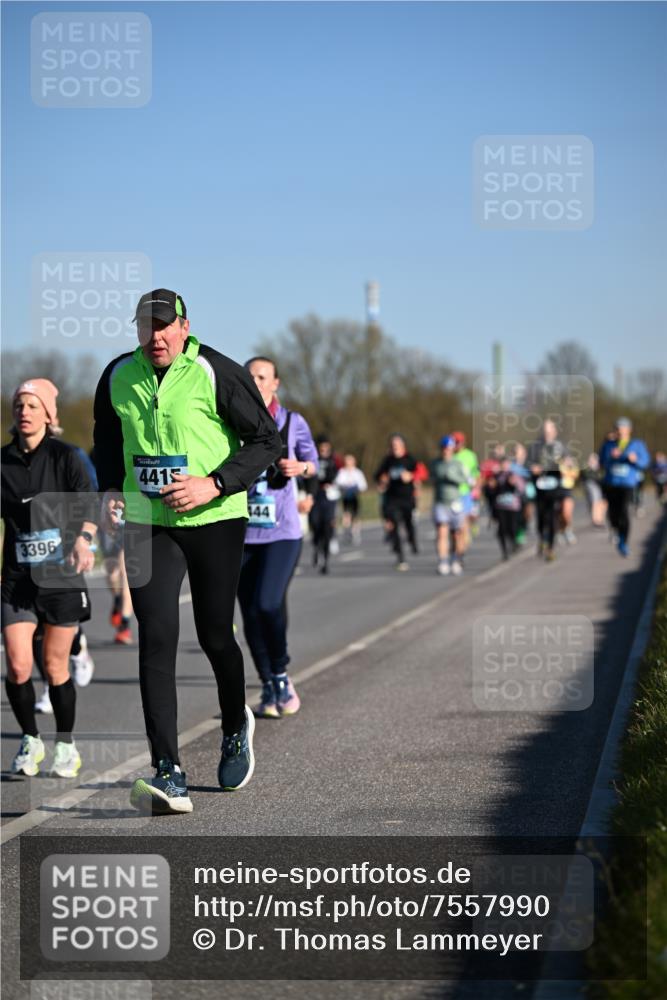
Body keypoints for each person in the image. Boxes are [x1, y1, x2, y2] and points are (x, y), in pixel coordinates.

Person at [94, 289, 281, 814]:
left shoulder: (216, 371)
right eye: (145, 326)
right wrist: (111, 487)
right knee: (156, 636)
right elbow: (106, 437)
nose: (155, 336)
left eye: (164, 326)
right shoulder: (116, 375)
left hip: (213, 518)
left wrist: (215, 483)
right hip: (146, 521)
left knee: (215, 633)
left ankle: (233, 728)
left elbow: (267, 441)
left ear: (184, 325)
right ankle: (168, 770)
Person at [2, 379, 97, 777]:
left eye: (32, 405)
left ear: (48, 414)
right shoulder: (3, 462)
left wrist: (85, 540)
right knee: (19, 666)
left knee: (55, 665)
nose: (24, 411)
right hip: (16, 579)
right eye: (19, 405)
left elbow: (89, 501)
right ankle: (30, 739)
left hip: (61, 577)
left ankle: (65, 744)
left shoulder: (66, 457)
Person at [238, 356, 318, 719]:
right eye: (249, 376)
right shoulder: (231, 421)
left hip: (282, 532)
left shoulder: (292, 422)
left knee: (267, 602)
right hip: (240, 532)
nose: (254, 382)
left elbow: (315, 463)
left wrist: (300, 467)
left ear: (275, 383)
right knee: (248, 613)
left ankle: (282, 673)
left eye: (261, 376)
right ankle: (267, 682)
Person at [599, 417, 650, 557]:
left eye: (623, 428)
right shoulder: (608, 445)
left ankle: (623, 542)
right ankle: (615, 529)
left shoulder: (637, 444)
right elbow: (601, 462)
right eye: (617, 428)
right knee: (612, 513)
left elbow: (645, 463)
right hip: (611, 483)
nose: (620, 431)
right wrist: (610, 457)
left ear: (629, 429)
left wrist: (635, 460)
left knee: (624, 511)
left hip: (627, 484)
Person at [374, 434, 418, 571]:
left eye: (397, 445)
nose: (395, 448)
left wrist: (411, 476)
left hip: (407, 498)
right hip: (392, 498)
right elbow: (377, 475)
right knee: (394, 527)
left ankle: (412, 540)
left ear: (403, 446)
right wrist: (382, 479)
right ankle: (401, 557)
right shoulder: (388, 461)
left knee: (408, 523)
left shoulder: (410, 459)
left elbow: (422, 473)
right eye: (393, 445)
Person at [527, 419, 568, 562]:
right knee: (540, 517)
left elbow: (568, 462)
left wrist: (565, 466)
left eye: (550, 431)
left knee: (551, 518)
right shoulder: (534, 447)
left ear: (555, 432)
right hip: (539, 488)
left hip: (554, 488)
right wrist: (533, 468)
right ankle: (541, 539)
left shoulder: (560, 446)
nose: (547, 434)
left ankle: (550, 547)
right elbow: (528, 463)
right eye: (545, 431)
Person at [430, 436, 468, 575]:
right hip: (440, 502)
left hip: (455, 503)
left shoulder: (458, 464)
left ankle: (456, 559)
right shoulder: (435, 463)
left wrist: (453, 477)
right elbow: (431, 478)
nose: (447, 451)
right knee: (441, 532)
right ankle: (443, 561)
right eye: (445, 449)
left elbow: (466, 479)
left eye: (449, 449)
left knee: (456, 534)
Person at [309, 436, 340, 574]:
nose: (324, 450)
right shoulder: (311, 459)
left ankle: (325, 562)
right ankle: (316, 548)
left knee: (327, 528)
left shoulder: (334, 461)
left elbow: (339, 476)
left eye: (326, 448)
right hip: (315, 496)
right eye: (322, 448)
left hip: (329, 498)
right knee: (315, 525)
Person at [489, 456, 526, 560]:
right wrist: (491, 487)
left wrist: (513, 484)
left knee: (512, 528)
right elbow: (490, 492)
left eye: (507, 464)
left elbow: (521, 490)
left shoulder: (514, 476)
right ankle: (504, 551)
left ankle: (514, 542)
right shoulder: (496, 476)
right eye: (503, 464)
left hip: (513, 507)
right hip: (500, 506)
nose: (505, 466)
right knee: (501, 529)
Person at [335, 454, 368, 544]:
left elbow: (363, 485)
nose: (348, 463)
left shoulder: (358, 472)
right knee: (346, 515)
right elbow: (338, 482)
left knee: (355, 516)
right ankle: (347, 532)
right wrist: (345, 486)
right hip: (346, 497)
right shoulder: (342, 472)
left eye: (350, 461)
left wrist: (356, 487)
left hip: (354, 497)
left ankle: (355, 533)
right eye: (347, 461)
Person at [580, 453, 607, 527]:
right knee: (594, 502)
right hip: (591, 485)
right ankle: (595, 520)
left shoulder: (599, 468)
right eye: (591, 460)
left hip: (600, 486)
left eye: (594, 460)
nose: (593, 461)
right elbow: (585, 477)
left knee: (602, 502)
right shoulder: (586, 468)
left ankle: (600, 518)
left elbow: (602, 476)